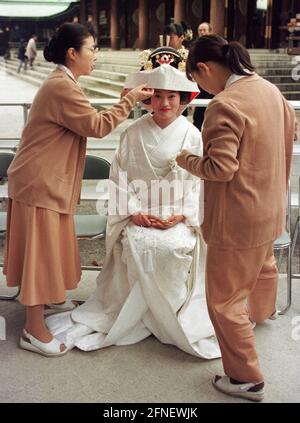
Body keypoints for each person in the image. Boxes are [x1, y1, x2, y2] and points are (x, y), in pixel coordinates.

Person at [46, 49, 221, 360]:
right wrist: (134, 213)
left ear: (183, 100)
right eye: (157, 97)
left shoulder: (192, 134)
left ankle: (166, 317)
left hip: (179, 215)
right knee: (140, 244)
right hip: (139, 214)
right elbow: (120, 180)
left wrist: (183, 214)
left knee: (173, 247)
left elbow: (200, 184)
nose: (164, 104)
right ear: (147, 99)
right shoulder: (132, 134)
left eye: (171, 97)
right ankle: (139, 316)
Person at [4, 23, 153, 357]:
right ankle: (33, 327)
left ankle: (53, 300)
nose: (96, 56)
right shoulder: (62, 87)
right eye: (92, 49)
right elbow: (97, 126)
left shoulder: (63, 83)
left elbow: (87, 119)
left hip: (42, 180)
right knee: (40, 255)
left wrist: (123, 102)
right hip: (39, 182)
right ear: (73, 54)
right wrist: (128, 101)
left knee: (50, 247)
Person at [176, 34, 296, 401]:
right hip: (270, 209)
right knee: (263, 271)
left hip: (237, 219)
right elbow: (289, 136)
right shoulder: (270, 91)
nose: (201, 88)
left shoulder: (225, 105)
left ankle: (247, 378)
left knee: (224, 301)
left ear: (204, 68)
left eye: (197, 81)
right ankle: (261, 316)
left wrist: (186, 160)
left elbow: (220, 167)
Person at [193, 22, 214, 131]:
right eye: (200, 30)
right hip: (200, 82)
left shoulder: (215, 45)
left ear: (210, 32)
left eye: (204, 30)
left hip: (213, 82)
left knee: (212, 110)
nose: (201, 32)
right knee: (199, 113)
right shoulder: (195, 46)